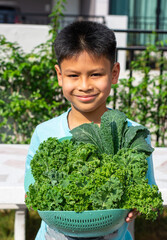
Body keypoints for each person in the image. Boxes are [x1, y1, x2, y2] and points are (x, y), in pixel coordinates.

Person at [24, 21, 156, 240]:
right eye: (73, 75)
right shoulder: (44, 132)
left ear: (114, 73)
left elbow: (146, 190)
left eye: (95, 74)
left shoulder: (134, 134)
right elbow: (33, 193)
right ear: (60, 76)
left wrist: (137, 206)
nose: (84, 85)